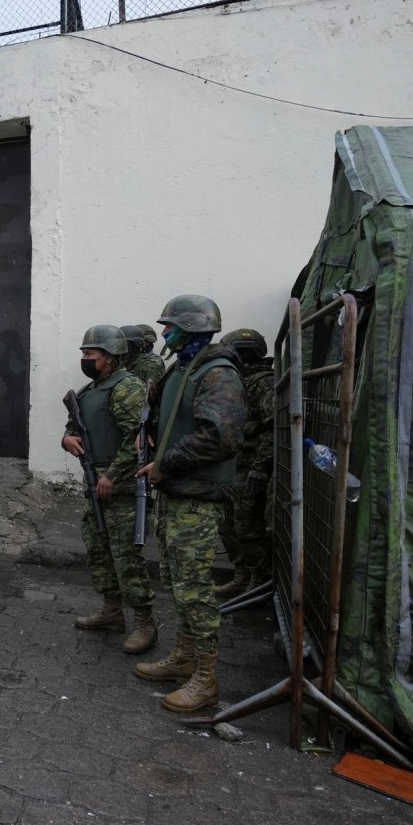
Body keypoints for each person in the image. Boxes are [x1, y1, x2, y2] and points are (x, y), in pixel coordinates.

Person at [132, 295, 247, 712]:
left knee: (196, 588)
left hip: (197, 498)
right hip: (177, 494)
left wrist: (166, 463)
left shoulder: (218, 374)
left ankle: (206, 679)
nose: (164, 333)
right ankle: (183, 658)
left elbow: (220, 436)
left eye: (171, 326)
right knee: (179, 583)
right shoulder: (184, 369)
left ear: (192, 328)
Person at [62, 325, 159, 653]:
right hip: (97, 484)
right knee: (99, 551)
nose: (85, 359)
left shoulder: (126, 387)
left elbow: (138, 442)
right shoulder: (91, 390)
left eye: (91, 354)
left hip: (121, 488)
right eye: (84, 353)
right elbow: (75, 425)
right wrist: (67, 438)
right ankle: (111, 611)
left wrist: (113, 476)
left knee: (126, 557)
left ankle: (145, 622)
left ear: (110, 356)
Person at [214, 328, 276, 598]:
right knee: (228, 524)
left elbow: (273, 428)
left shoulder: (263, 382)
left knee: (247, 527)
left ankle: (259, 580)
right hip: (231, 466)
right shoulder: (235, 380)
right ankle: (242, 574)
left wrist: (260, 469)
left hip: (250, 468)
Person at [121, 322, 166, 393]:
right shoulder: (128, 360)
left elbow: (151, 395)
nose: (146, 345)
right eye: (144, 341)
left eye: (149, 342)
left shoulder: (152, 363)